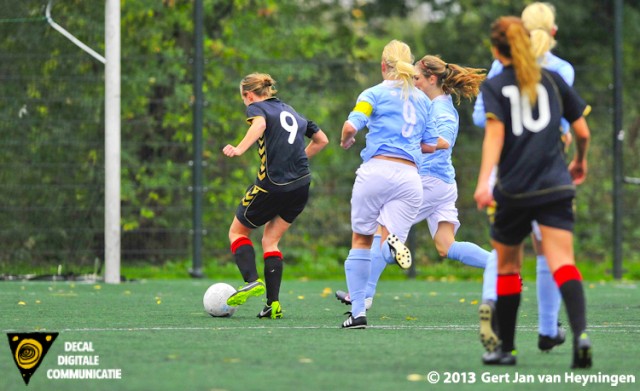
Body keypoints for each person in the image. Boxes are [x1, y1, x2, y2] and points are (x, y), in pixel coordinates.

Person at [473, 16, 592, 368]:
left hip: (514, 189)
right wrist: (580, 162)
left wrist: (484, 182)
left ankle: (505, 349)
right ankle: (581, 335)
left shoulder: (495, 85)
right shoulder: (554, 80)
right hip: (556, 185)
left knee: (509, 266)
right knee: (563, 262)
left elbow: (494, 137)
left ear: (495, 49)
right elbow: (582, 132)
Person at [335, 54, 491, 311]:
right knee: (446, 245)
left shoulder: (440, 107)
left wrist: (406, 143)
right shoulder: (427, 103)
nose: (413, 82)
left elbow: (444, 141)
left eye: (417, 77)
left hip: (430, 179)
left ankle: (362, 295)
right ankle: (501, 265)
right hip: (443, 183)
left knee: (379, 231)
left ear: (431, 79)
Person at [339, 39, 439, 329]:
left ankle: (358, 313)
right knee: (386, 241)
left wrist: (347, 140)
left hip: (376, 171)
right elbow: (430, 145)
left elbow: (351, 125)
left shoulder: (373, 93)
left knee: (361, 239)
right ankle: (393, 244)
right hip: (409, 178)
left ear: (383, 66)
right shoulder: (423, 100)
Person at [222, 73, 329, 319]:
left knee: (237, 232)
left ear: (248, 95)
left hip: (273, 184)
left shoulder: (257, 108)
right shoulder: (290, 110)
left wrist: (238, 148)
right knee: (270, 241)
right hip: (301, 185)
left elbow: (259, 125)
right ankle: (273, 305)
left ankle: (251, 281)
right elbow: (322, 140)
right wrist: (297, 159)